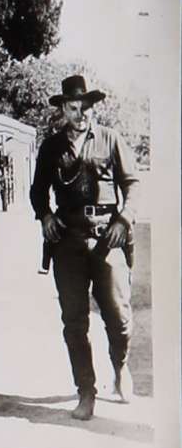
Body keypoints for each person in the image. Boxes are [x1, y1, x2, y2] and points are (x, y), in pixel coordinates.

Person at [30, 75, 139, 421]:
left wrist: (124, 219)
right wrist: (45, 215)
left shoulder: (111, 139)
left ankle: (120, 367)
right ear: (63, 109)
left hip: (108, 237)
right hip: (68, 242)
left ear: (93, 108)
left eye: (86, 108)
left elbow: (132, 184)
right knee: (74, 322)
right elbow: (37, 191)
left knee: (118, 317)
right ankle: (86, 391)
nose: (81, 115)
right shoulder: (51, 147)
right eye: (73, 108)